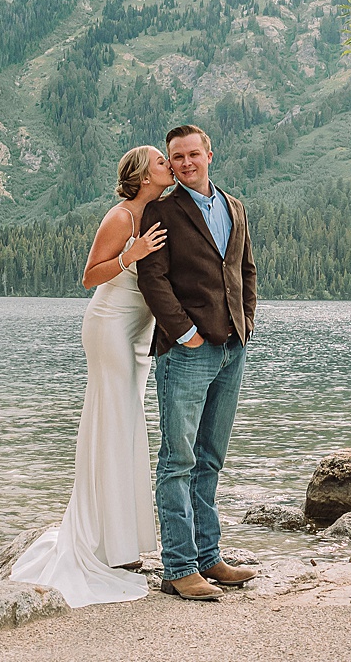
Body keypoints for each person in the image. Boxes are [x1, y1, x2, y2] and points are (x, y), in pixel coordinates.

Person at [8, 146, 171, 607]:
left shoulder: (159, 211)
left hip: (140, 332)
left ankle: (122, 541)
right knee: (113, 425)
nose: (168, 166)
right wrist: (130, 254)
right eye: (161, 161)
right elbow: (88, 276)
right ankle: (104, 545)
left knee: (126, 427)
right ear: (142, 175)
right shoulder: (121, 218)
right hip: (110, 325)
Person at [134, 124, 258, 601]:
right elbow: (154, 279)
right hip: (185, 353)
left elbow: (245, 269)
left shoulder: (234, 207)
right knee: (178, 460)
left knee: (210, 457)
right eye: (175, 157)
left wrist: (246, 324)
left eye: (192, 154)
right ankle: (179, 568)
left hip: (232, 349)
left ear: (210, 154)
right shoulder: (160, 212)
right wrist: (185, 333)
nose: (184, 163)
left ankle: (210, 558)